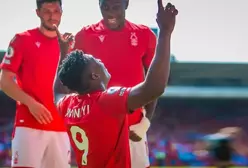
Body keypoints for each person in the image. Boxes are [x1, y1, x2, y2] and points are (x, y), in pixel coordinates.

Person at [53, 0, 178, 167]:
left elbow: (58, 91)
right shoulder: (108, 101)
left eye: (115, 6)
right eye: (96, 60)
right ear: (94, 75)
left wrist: (145, 121)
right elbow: (153, 87)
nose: (100, 60)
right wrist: (165, 32)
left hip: (120, 134)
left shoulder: (67, 105)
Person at [72, 0, 159, 166]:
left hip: (133, 127)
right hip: (98, 128)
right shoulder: (84, 36)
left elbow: (153, 83)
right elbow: (72, 81)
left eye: (116, 7)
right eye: (105, 7)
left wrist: (145, 122)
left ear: (126, 4)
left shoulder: (144, 35)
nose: (110, 13)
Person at [0, 0, 71, 168]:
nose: (52, 15)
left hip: (62, 128)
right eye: (46, 11)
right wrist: (31, 103)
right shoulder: (23, 39)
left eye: (56, 10)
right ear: (38, 12)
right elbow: (4, 81)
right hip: (28, 126)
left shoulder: (70, 47)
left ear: (61, 12)